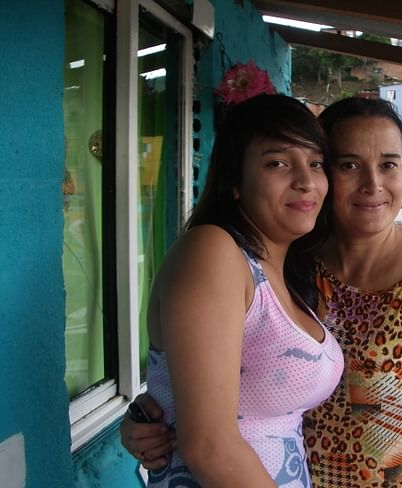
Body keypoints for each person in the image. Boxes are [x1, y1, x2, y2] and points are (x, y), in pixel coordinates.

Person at [122, 97, 402, 487]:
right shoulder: (293, 269)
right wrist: (156, 413)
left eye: (390, 164)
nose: (373, 183)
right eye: (348, 165)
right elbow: (224, 397)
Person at [135, 94, 344, 487]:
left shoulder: (287, 275)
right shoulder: (213, 251)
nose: (305, 181)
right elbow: (208, 446)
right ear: (235, 182)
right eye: (278, 163)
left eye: (315, 163)